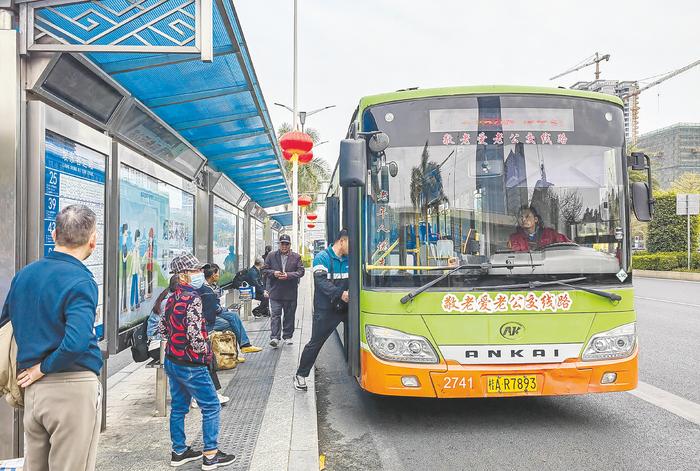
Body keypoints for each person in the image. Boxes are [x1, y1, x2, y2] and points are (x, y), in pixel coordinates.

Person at [0, 204, 103, 471]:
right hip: (72, 388)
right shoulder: (81, 281)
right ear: (93, 241)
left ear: (54, 234)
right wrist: (43, 368)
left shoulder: (24, 275)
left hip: (33, 393)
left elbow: (5, 323)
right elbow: (77, 341)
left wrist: (33, 367)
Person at [158, 253, 236, 469]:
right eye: (194, 270)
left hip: (173, 360)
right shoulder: (192, 298)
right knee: (211, 406)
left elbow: (163, 329)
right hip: (191, 364)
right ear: (183, 275)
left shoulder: (170, 297)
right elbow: (195, 335)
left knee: (179, 407)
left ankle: (179, 451)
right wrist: (206, 354)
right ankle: (210, 455)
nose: (199, 273)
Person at [294, 230, 349, 391]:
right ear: (342, 241)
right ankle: (300, 375)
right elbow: (321, 282)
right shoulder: (322, 258)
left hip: (345, 308)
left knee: (355, 336)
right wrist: (341, 294)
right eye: (351, 243)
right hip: (326, 310)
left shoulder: (349, 260)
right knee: (316, 342)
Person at [198, 263, 263, 356]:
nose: (219, 275)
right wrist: (225, 310)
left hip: (211, 314)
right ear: (213, 275)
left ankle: (243, 346)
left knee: (233, 316)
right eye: (218, 273)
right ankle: (236, 352)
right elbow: (215, 309)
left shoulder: (210, 286)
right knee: (231, 323)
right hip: (208, 319)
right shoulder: (206, 290)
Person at [263, 234, 305, 347]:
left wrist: (288, 275)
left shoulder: (296, 257)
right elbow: (265, 270)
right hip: (275, 292)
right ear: (279, 244)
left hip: (290, 293)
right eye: (282, 243)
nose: (284, 246)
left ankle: (287, 336)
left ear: (290, 245)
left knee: (289, 315)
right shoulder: (271, 256)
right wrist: (274, 273)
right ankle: (275, 337)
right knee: (275, 315)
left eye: (286, 244)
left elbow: (301, 272)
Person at [130, 229, 142, 310]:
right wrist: (130, 273)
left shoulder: (137, 251)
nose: (139, 242)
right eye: (138, 240)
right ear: (135, 241)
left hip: (136, 272)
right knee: (133, 288)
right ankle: (132, 304)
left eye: (139, 240)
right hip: (134, 272)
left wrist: (140, 269)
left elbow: (138, 262)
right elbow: (133, 263)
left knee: (136, 288)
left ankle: (136, 303)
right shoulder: (135, 250)